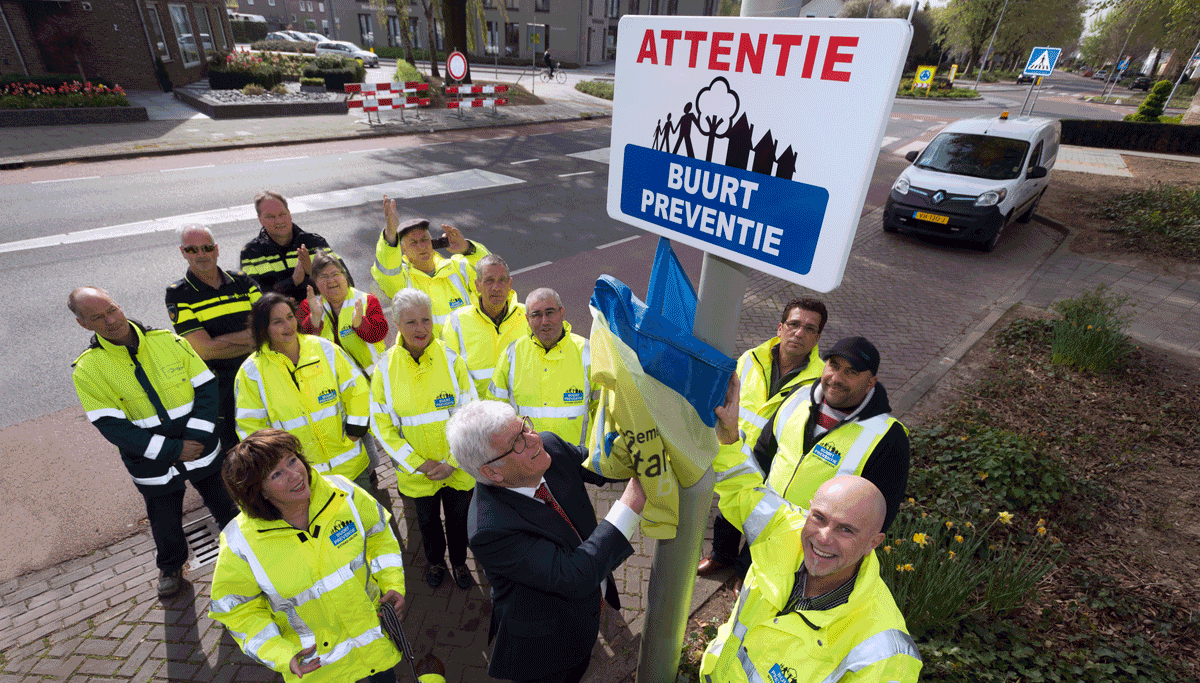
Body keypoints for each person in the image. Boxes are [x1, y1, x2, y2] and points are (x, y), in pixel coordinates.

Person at [703, 393, 923, 683]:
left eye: (846, 529)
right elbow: (743, 488)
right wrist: (729, 435)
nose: (822, 538)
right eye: (818, 517)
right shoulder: (785, 530)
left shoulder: (883, 655)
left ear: (875, 542)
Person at [447, 400, 647, 683]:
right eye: (517, 441)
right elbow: (574, 575)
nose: (533, 439)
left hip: (588, 612)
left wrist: (640, 451)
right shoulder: (489, 530)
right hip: (549, 645)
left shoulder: (548, 446)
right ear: (493, 472)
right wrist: (633, 500)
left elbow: (600, 466)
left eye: (524, 426)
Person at [70, 286, 238, 598]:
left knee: (226, 504)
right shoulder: (88, 370)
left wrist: (196, 439)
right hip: (152, 461)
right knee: (164, 519)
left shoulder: (168, 342)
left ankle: (249, 550)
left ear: (118, 305)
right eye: (98, 317)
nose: (110, 320)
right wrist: (173, 451)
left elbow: (206, 387)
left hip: (200, 449)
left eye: (111, 309)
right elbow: (111, 426)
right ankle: (172, 566)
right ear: (84, 324)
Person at [208, 429, 407, 683]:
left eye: (292, 461)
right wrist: (280, 654)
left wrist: (392, 584)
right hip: (321, 671)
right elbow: (237, 610)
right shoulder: (240, 543)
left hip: (376, 647)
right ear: (259, 492)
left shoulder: (343, 492)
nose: (295, 475)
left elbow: (379, 536)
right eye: (277, 474)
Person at [699, 297, 828, 577]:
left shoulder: (821, 382)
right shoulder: (749, 359)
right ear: (780, 327)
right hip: (738, 447)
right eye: (794, 324)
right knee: (729, 503)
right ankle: (721, 556)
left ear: (817, 337)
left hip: (778, 457)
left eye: (809, 328)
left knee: (764, 515)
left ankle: (745, 572)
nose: (799, 333)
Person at [371, 289, 478, 590]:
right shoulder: (385, 369)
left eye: (426, 320)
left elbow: (470, 413)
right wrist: (418, 463)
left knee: (459, 522)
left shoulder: (451, 359)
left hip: (455, 469)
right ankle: (435, 562)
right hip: (418, 473)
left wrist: (453, 462)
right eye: (411, 322)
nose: (420, 329)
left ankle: (459, 562)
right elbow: (382, 426)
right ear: (397, 325)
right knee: (428, 524)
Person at [746, 336, 910, 534]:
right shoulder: (798, 396)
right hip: (761, 531)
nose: (837, 378)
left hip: (817, 551)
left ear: (870, 383)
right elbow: (762, 456)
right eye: (833, 366)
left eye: (851, 372)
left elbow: (879, 517)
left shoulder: (889, 437)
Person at [234, 293, 373, 489]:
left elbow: (357, 389)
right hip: (301, 479)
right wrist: (279, 465)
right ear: (263, 328)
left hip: (351, 467)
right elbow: (251, 429)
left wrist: (355, 432)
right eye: (277, 322)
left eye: (290, 317)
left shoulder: (324, 349)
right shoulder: (251, 373)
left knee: (366, 518)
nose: (288, 325)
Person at [165, 225, 261, 454]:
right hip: (223, 389)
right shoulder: (178, 294)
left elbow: (269, 326)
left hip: (260, 375)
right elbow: (203, 350)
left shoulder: (243, 281)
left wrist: (221, 341)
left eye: (207, 247)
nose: (201, 254)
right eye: (192, 249)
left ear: (216, 249)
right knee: (238, 453)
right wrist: (254, 338)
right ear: (183, 252)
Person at [488, 287, 594, 448]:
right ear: (527, 319)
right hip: (527, 458)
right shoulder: (512, 354)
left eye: (550, 313)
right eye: (536, 315)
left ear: (562, 313)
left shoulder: (587, 352)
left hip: (577, 461)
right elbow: (495, 411)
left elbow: (604, 410)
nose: (544, 321)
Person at [371, 197, 491, 335]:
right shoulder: (402, 281)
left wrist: (466, 247)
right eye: (413, 243)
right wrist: (390, 234)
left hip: (468, 353)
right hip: (432, 356)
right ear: (403, 249)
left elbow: (490, 270)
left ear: (431, 242)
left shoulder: (458, 267)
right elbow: (386, 271)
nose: (421, 246)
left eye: (424, 239)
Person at [442, 255, 528, 398]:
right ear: (477, 285)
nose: (496, 287)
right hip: (479, 415)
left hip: (520, 412)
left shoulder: (528, 316)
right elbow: (449, 373)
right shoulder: (456, 321)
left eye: (502, 281)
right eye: (489, 281)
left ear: (510, 284)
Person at [240, 190, 348, 303]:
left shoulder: (315, 243)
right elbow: (256, 300)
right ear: (260, 220)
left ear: (289, 214)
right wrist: (293, 281)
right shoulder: (250, 253)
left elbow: (346, 283)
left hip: (321, 316)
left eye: (282, 214)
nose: (279, 221)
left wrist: (312, 273)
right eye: (270, 217)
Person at [298, 251, 388, 376]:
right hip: (332, 384)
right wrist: (314, 319)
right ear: (315, 282)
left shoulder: (367, 300)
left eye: (335, 274)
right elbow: (301, 347)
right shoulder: (309, 306)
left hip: (373, 379)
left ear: (344, 276)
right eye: (323, 276)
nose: (330, 280)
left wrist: (360, 324)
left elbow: (379, 334)